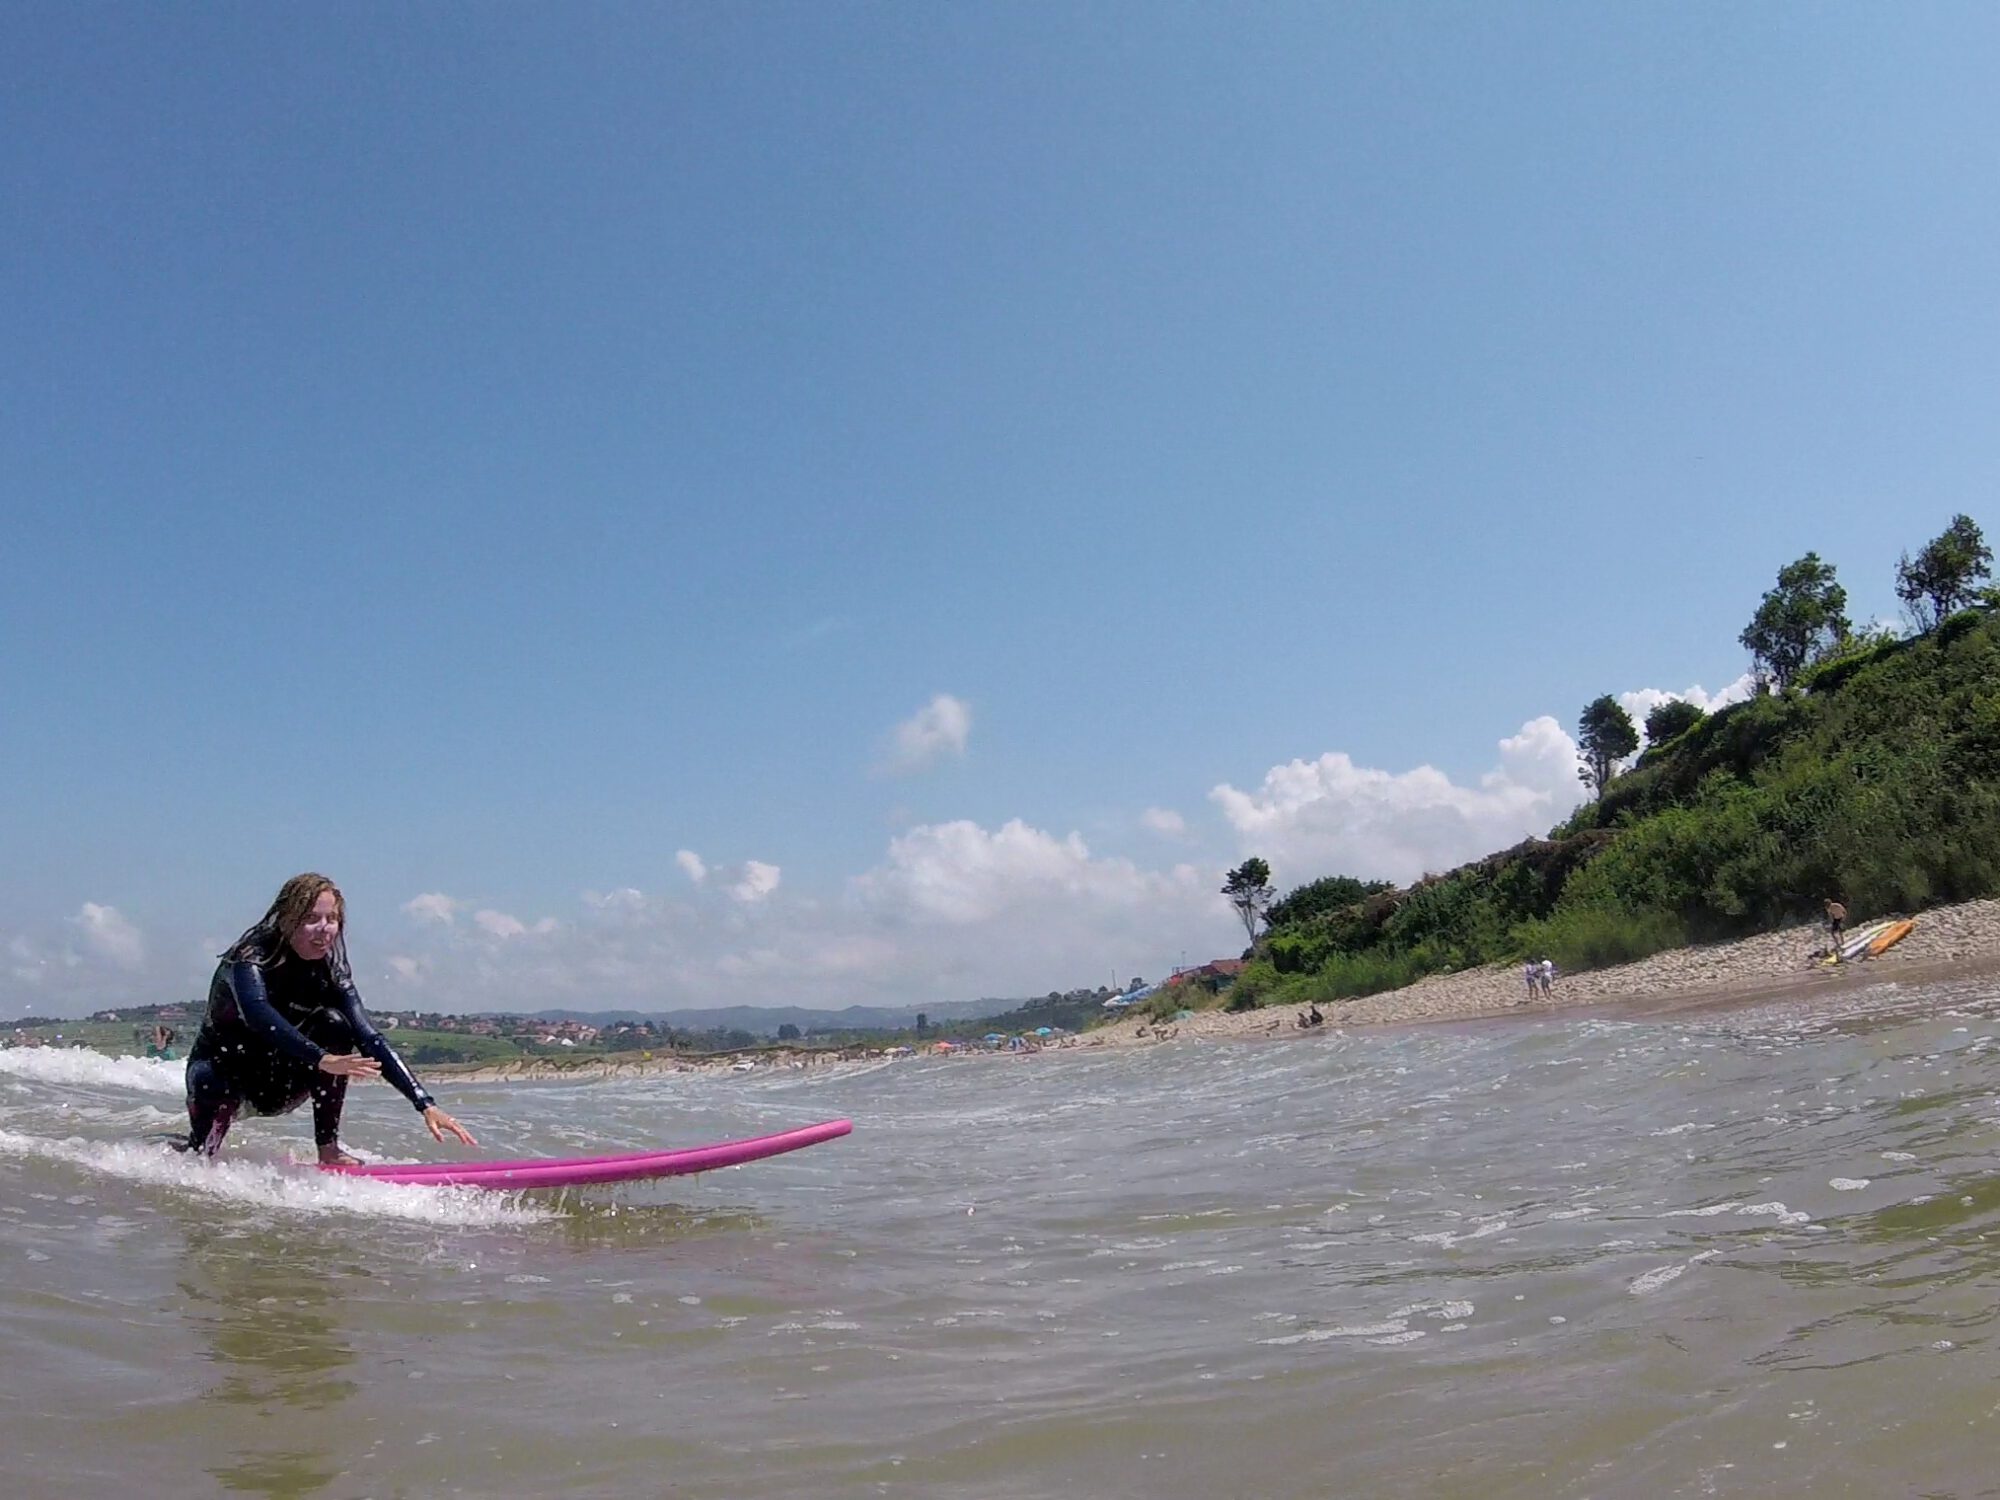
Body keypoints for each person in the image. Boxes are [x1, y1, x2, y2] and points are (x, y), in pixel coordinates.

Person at [182, 873, 476, 1165]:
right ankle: (198, 1156)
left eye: (332, 919)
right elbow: (258, 1013)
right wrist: (321, 1058)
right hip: (222, 1077)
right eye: (311, 918)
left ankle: (328, 1149)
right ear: (286, 920)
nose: (324, 929)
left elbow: (369, 1038)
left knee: (334, 1023)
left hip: (278, 1084)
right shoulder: (249, 958)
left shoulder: (331, 972)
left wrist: (425, 1103)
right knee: (208, 1096)